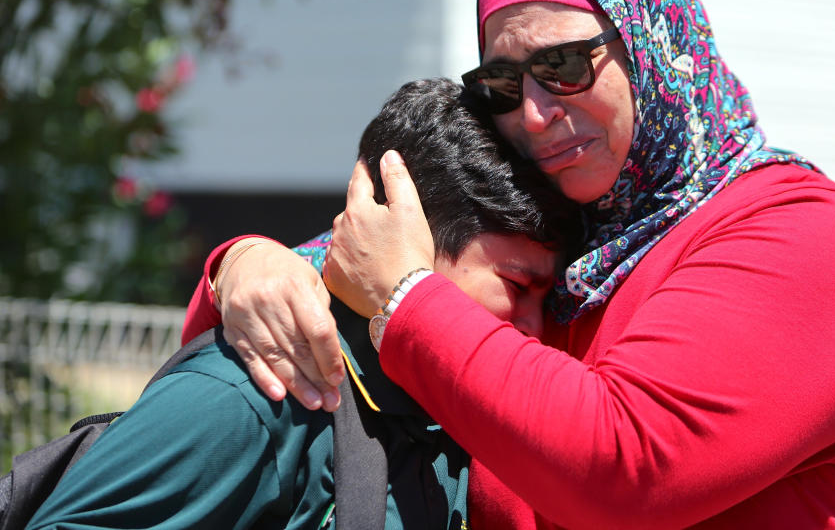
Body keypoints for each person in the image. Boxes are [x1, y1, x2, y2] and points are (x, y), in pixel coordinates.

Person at [184, 0, 835, 529]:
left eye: (566, 65)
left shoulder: (800, 235)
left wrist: (408, 301)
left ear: (655, 44)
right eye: (502, 80)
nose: (535, 113)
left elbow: (623, 466)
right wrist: (247, 266)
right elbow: (348, 261)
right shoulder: (561, 229)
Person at [26, 78, 580, 529]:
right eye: (515, 286)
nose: (535, 329)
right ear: (399, 237)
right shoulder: (253, 398)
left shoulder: (440, 415)